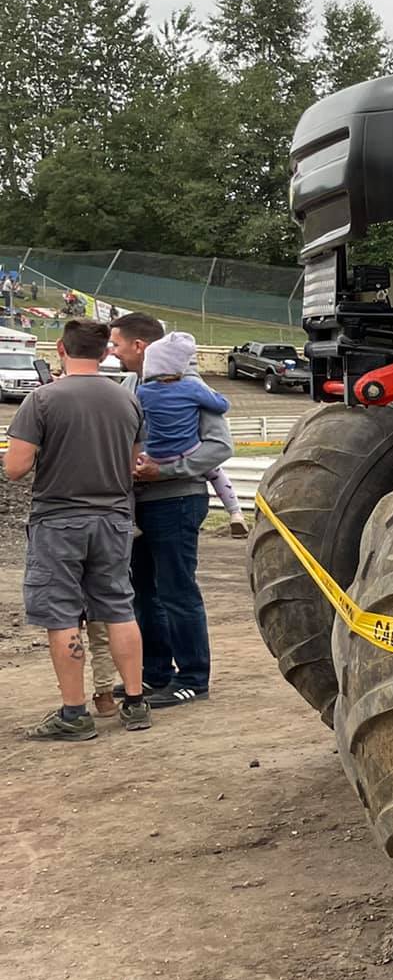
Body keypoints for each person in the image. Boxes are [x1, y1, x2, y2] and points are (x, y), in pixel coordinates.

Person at [3, 318, 152, 740]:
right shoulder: (127, 401)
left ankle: (74, 713)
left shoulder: (43, 399)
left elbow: (15, 469)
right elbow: (131, 465)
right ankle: (135, 704)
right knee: (119, 607)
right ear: (106, 351)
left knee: (62, 612)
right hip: (114, 519)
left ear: (60, 349)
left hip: (59, 520)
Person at [108, 312, 228, 707]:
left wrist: (167, 470)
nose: (114, 350)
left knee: (176, 590)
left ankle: (194, 676)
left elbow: (219, 447)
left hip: (177, 499)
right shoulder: (130, 385)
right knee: (142, 591)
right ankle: (155, 674)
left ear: (140, 346)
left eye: (118, 344)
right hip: (136, 504)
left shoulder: (193, 387)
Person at [135, 331, 247, 535]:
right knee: (214, 471)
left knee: (133, 464)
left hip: (154, 454)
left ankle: (131, 521)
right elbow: (222, 405)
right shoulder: (192, 387)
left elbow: (135, 420)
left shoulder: (141, 391)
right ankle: (235, 511)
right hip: (187, 451)